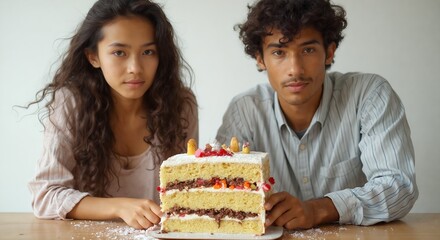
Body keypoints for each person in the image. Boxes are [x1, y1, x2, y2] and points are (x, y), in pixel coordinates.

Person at [216, 0, 418, 230]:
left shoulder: (368, 95)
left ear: (329, 52)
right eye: (279, 52)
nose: (295, 69)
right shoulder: (244, 111)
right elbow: (221, 192)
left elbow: (399, 188)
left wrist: (318, 209)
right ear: (260, 59)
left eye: (308, 50)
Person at [27, 0, 198, 230]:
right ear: (93, 57)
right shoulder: (70, 103)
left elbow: (186, 192)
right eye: (119, 52)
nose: (135, 67)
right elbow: (45, 195)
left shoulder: (180, 104)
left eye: (148, 52)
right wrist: (119, 207)